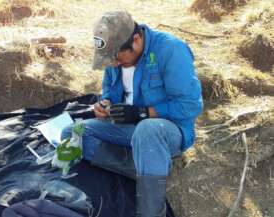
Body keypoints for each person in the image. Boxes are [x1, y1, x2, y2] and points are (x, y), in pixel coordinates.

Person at [62, 11, 203, 217]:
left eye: (117, 59)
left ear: (136, 41)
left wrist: (142, 113)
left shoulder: (170, 50)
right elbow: (109, 88)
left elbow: (190, 105)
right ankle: (148, 169)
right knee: (71, 133)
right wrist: (105, 103)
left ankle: (151, 212)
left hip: (165, 131)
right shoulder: (116, 55)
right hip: (128, 129)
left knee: (147, 129)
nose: (114, 64)